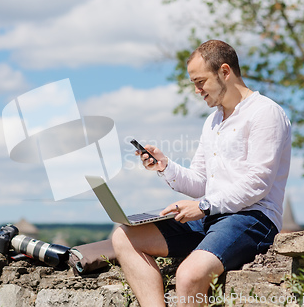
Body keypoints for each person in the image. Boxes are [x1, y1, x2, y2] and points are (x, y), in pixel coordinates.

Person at [111, 40, 292, 307]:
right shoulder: (213, 122)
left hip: (253, 218)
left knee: (189, 275)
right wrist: (165, 166)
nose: (197, 91)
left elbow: (258, 184)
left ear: (225, 72)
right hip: (213, 216)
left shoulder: (266, 113)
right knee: (123, 236)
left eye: (200, 82)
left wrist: (204, 206)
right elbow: (201, 183)